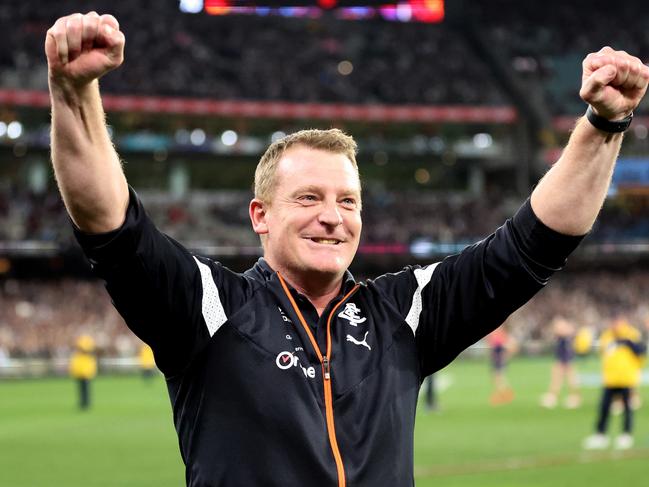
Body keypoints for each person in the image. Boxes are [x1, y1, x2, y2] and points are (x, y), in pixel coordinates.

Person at [45, 11, 649, 487]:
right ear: (260, 214)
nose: (332, 218)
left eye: (348, 201)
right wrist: (74, 92)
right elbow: (112, 228)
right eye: (308, 198)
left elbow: (533, 248)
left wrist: (603, 126)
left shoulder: (403, 313)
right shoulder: (210, 309)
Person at [583, 316, 646, 450]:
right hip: (610, 380)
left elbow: (641, 351)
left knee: (627, 408)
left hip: (626, 379)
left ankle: (626, 435)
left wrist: (628, 343)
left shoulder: (632, 334)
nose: (615, 325)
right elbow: (602, 353)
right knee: (604, 408)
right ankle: (600, 435)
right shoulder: (607, 335)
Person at [540, 316, 581, 409]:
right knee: (558, 378)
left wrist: (566, 362)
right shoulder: (562, 335)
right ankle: (553, 397)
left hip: (566, 359)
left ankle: (574, 398)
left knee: (570, 379)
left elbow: (568, 335)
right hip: (561, 358)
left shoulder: (566, 335)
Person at [487, 325, 515, 405]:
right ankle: (504, 394)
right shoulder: (497, 333)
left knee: (499, 377)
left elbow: (506, 347)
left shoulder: (500, 334)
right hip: (498, 359)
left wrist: (504, 357)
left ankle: (505, 395)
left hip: (499, 359)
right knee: (497, 378)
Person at [68, 334, 97, 410]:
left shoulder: (86, 356)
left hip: (85, 375)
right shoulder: (79, 356)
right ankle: (83, 403)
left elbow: (90, 366)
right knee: (82, 390)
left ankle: (86, 403)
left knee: (85, 390)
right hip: (80, 374)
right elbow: (74, 365)